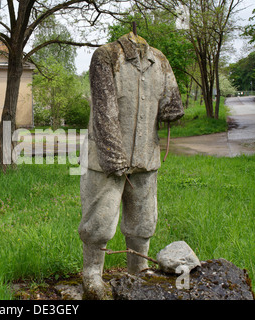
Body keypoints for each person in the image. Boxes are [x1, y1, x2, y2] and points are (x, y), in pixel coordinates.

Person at [79, 32, 184, 299]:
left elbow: (171, 101)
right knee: (99, 221)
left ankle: (138, 269)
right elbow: (105, 111)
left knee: (144, 221)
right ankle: (92, 273)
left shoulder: (159, 59)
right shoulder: (107, 56)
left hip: (145, 156)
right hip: (106, 160)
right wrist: (113, 156)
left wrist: (171, 108)